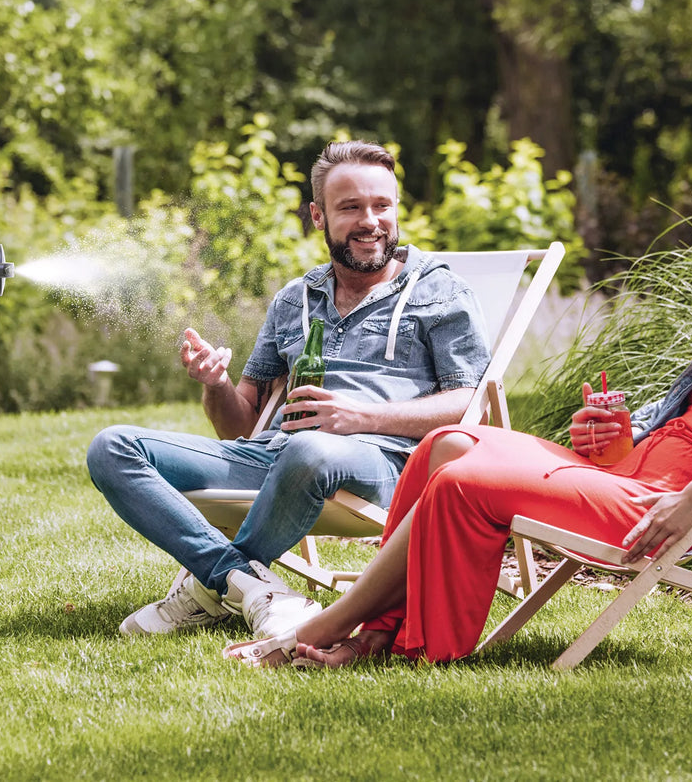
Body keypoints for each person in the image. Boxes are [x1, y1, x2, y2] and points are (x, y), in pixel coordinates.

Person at [223, 172, 692, 668]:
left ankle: (322, 629)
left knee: (463, 481)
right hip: (627, 476)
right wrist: (617, 434)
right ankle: (379, 631)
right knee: (447, 444)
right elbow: (684, 427)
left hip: (659, 505)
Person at [87, 141, 492, 640]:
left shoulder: (440, 291)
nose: (371, 221)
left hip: (385, 465)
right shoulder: (293, 299)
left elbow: (470, 405)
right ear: (318, 217)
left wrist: (361, 418)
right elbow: (239, 424)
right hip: (273, 456)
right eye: (351, 208)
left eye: (382, 206)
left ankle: (207, 592)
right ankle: (244, 585)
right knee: (112, 446)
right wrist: (215, 385)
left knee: (311, 449)